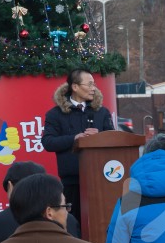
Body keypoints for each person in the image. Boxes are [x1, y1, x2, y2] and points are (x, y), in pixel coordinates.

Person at [41, 68, 114, 224]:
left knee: (100, 222)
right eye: (89, 84)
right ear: (75, 87)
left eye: (94, 84)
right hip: (72, 181)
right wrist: (74, 138)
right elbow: (48, 142)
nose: (93, 88)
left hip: (101, 178)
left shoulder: (101, 112)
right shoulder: (56, 114)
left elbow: (113, 141)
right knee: (73, 222)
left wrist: (99, 137)